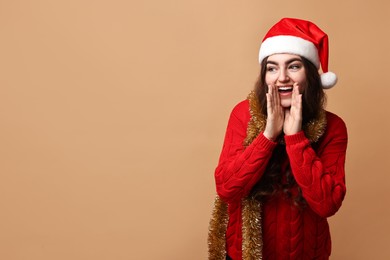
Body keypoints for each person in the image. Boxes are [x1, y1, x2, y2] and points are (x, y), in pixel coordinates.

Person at [208, 18, 348, 260]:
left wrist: (295, 138)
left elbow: (327, 204)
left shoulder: (333, 127)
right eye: (272, 68)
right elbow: (227, 188)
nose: (282, 77)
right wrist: (268, 135)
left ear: (310, 75)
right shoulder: (243, 114)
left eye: (293, 66)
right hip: (243, 254)